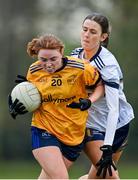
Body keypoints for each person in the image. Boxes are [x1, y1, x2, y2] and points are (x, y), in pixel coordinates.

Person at [8, 34, 104, 179]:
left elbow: (101, 86)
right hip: (44, 129)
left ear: (61, 52)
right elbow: (33, 97)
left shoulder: (80, 68)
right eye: (43, 60)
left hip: (73, 134)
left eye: (53, 59)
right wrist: (19, 104)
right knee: (60, 178)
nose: (48, 64)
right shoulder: (34, 71)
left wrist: (90, 101)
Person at [70, 12, 134, 179]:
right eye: (84, 29)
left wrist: (108, 145)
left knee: (98, 177)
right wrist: (33, 84)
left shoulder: (108, 65)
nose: (86, 34)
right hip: (92, 125)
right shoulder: (75, 55)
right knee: (111, 176)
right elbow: (57, 78)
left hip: (117, 125)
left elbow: (114, 109)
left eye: (93, 32)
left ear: (103, 37)